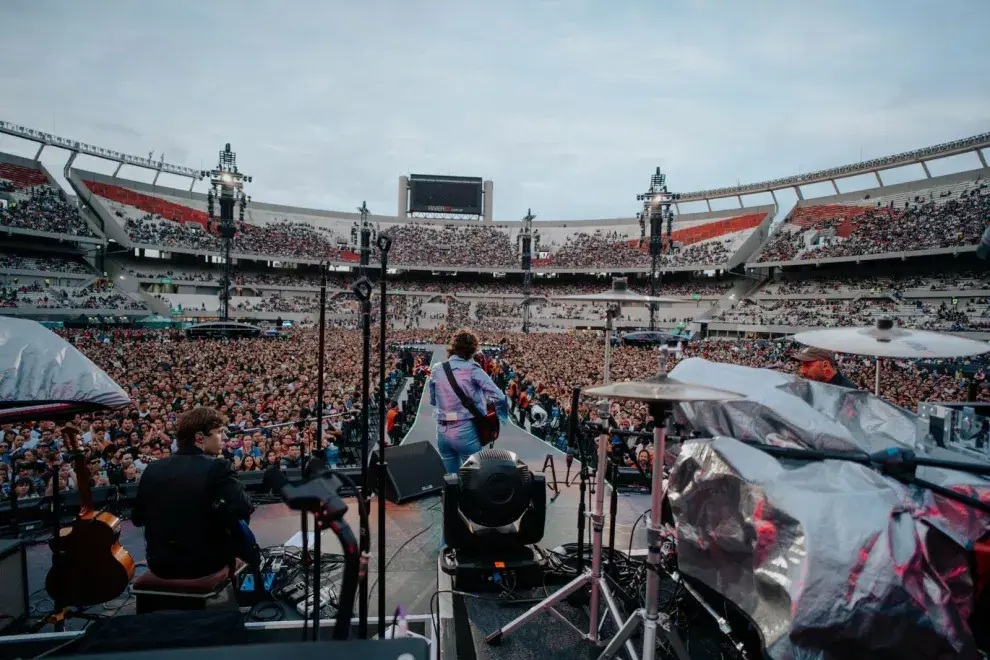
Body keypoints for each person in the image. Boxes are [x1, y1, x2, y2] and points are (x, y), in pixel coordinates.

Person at [132, 407, 254, 580]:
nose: (225, 438)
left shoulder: (152, 469)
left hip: (161, 564)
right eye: (219, 432)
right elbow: (244, 508)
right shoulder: (217, 466)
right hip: (204, 565)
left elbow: (137, 519)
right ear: (200, 437)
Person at [429, 329, 509, 473]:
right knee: (472, 479)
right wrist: (501, 417)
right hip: (465, 430)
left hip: (441, 430)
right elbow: (500, 396)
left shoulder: (436, 369)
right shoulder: (472, 369)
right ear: (472, 350)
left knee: (451, 480)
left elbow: (433, 400)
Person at [791, 347, 858, 389]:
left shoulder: (848, 391)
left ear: (825, 365)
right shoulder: (813, 385)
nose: (802, 371)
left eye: (808, 365)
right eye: (802, 365)